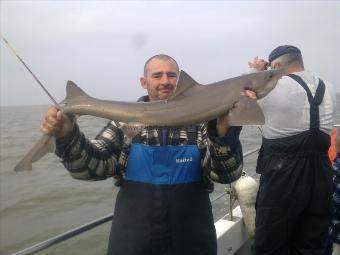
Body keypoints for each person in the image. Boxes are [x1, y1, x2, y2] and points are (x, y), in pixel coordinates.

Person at [41, 54, 246, 255]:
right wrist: (67, 136)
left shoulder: (203, 124)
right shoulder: (125, 124)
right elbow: (91, 168)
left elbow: (226, 175)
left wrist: (222, 133)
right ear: (143, 81)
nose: (165, 81)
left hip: (192, 237)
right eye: (157, 76)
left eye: (172, 75)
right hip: (133, 240)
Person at [248, 45, 336, 255]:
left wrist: (258, 72)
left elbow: (246, 92)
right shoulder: (329, 87)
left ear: (276, 65)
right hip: (321, 174)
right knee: (311, 242)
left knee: (270, 243)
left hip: (282, 175)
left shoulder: (272, 87)